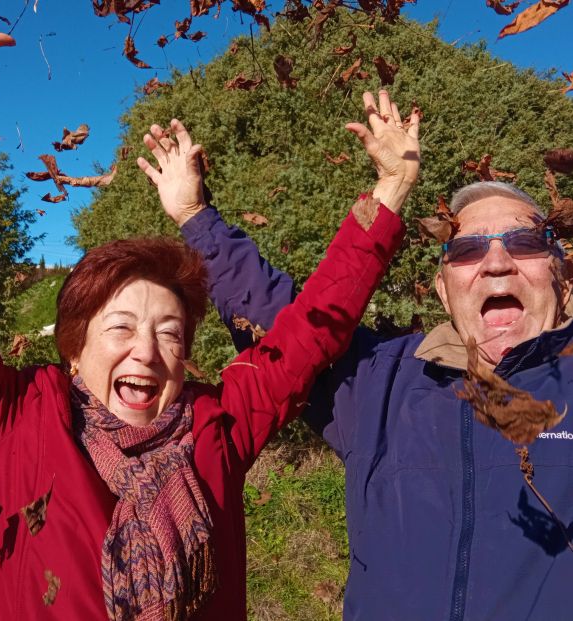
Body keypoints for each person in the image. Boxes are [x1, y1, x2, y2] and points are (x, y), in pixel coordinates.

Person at [0, 93, 418, 619]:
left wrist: (392, 188)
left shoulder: (215, 429)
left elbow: (310, 331)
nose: (146, 352)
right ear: (74, 349)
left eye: (170, 334)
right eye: (120, 328)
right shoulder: (2, 420)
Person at [172, 95, 573, 618]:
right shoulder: (381, 384)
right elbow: (286, 322)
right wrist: (194, 216)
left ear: (562, 277)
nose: (496, 262)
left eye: (523, 243)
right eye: (468, 249)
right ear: (442, 290)